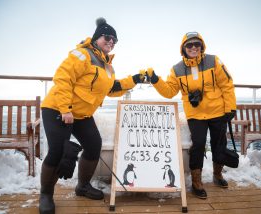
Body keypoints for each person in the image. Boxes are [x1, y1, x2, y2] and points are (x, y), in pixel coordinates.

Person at [39, 17, 145, 213]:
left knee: (93, 145)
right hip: (57, 108)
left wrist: (136, 79)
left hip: (81, 114)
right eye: (107, 37)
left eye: (115, 40)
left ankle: (83, 186)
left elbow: (113, 88)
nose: (111, 42)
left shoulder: (107, 67)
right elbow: (63, 79)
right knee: (57, 151)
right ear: (97, 38)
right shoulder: (82, 55)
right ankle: (46, 194)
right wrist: (65, 109)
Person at [145, 32, 236, 199]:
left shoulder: (214, 61)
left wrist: (230, 108)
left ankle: (218, 175)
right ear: (183, 48)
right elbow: (169, 91)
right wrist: (155, 80)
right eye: (189, 45)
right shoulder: (177, 69)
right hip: (195, 113)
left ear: (202, 46)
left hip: (218, 111)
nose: (193, 47)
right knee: (198, 144)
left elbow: (227, 84)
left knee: (219, 143)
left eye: (197, 44)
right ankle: (196, 182)